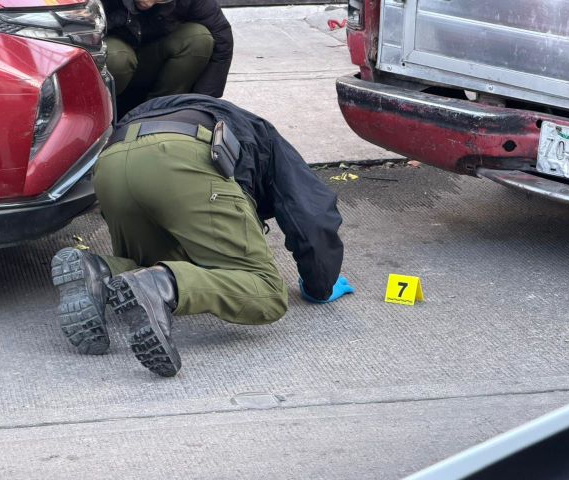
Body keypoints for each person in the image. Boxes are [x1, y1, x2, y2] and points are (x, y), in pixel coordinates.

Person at [51, 94, 355, 377]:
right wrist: (320, 284)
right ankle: (163, 286)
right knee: (267, 291)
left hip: (111, 165)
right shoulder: (267, 137)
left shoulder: (189, 109)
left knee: (152, 266)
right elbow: (313, 215)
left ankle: (97, 270)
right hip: (184, 157)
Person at [102, 0, 233, 116]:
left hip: (152, 57)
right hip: (115, 59)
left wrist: (203, 102)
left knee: (198, 39)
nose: (148, 3)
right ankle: (105, 115)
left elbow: (222, 39)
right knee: (117, 58)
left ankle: (160, 112)